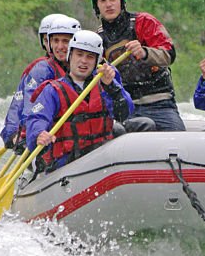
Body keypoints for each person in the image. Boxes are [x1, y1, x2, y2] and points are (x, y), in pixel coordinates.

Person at [24, 30, 134, 171]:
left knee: (144, 124)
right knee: (99, 148)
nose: (83, 61)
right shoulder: (52, 90)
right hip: (66, 162)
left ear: (96, 61)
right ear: (70, 56)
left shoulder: (106, 84)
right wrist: (39, 133)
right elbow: (37, 118)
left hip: (102, 157)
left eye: (89, 57)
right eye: (79, 55)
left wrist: (112, 88)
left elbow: (124, 113)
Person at [90, 0, 184, 131]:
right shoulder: (97, 38)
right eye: (103, 1)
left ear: (121, 1)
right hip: (127, 107)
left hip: (160, 103)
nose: (109, 5)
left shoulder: (144, 22)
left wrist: (145, 52)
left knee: (178, 141)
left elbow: (169, 54)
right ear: (97, 6)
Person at [0, 13, 78, 150]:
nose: (58, 46)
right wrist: (25, 135)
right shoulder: (41, 69)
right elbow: (29, 107)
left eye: (65, 41)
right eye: (53, 40)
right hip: (36, 131)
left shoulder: (82, 66)